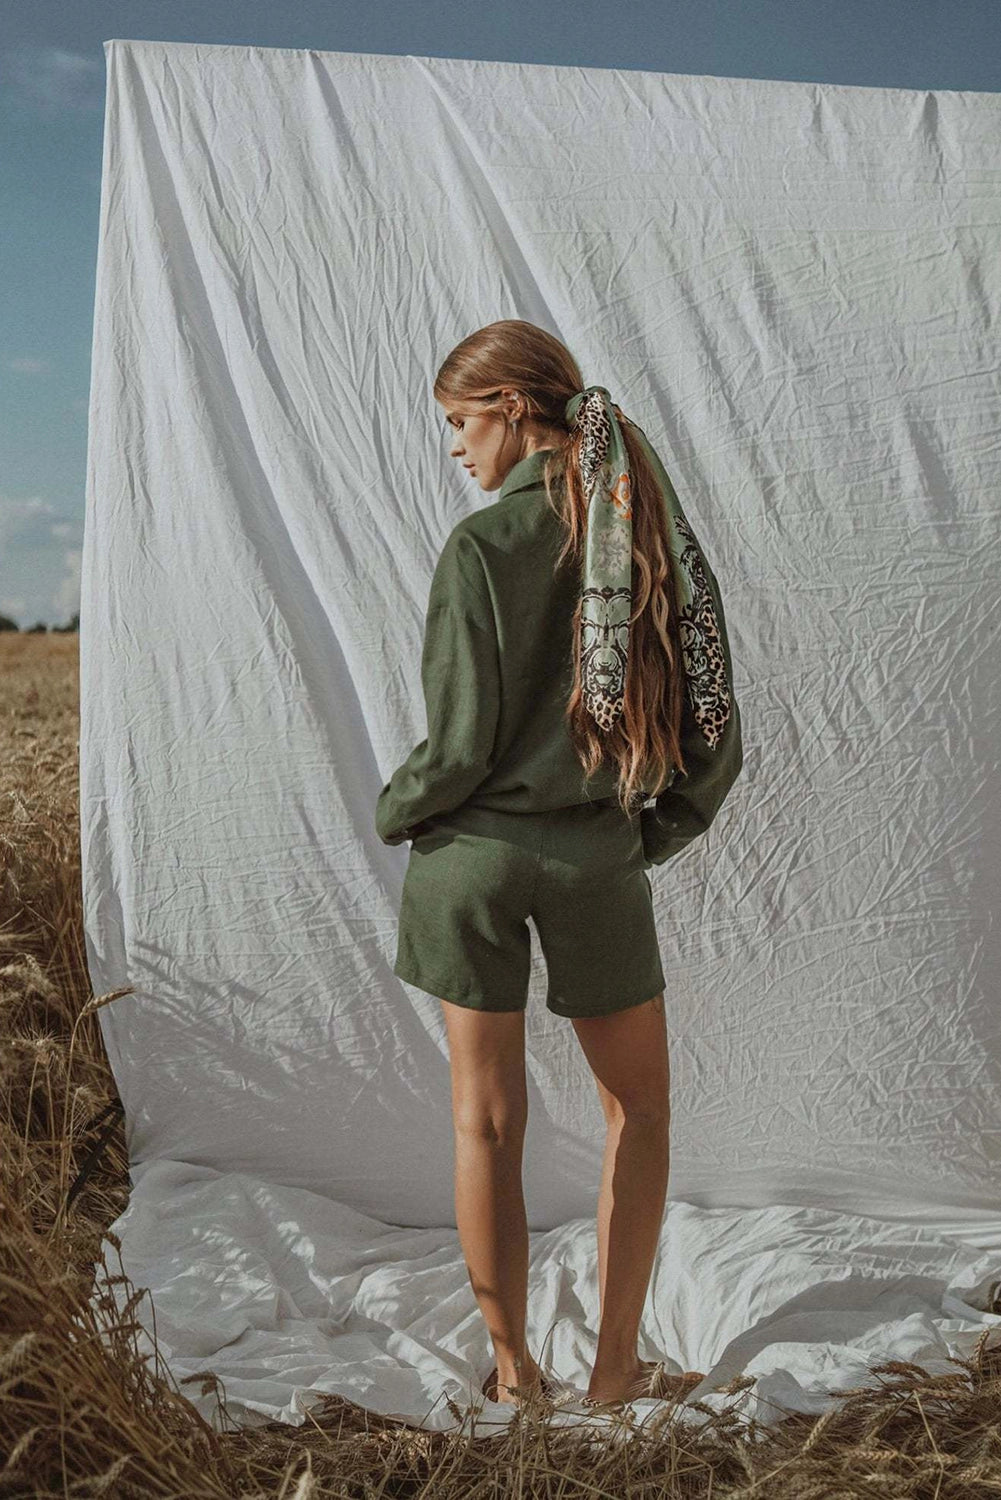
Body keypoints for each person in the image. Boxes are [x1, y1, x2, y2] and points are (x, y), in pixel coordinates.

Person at [375, 319, 743, 1411]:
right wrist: (647, 833)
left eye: (457, 422)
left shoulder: (480, 549)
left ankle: (514, 1371)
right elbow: (711, 712)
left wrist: (397, 809)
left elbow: (455, 749)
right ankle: (614, 1370)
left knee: (485, 1121)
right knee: (640, 1111)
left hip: (470, 865)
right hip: (592, 859)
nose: (454, 448)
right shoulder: (641, 532)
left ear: (511, 408)